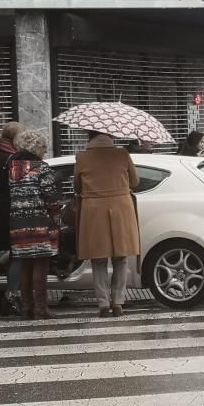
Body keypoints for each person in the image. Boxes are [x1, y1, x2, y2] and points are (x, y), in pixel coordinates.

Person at [75, 131, 142, 317]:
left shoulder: (82, 157)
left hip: (93, 210)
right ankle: (118, 302)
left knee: (98, 258)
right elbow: (135, 182)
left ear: (89, 135)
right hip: (121, 207)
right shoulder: (122, 154)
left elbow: (77, 187)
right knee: (121, 257)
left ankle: (103, 304)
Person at [8, 130, 59, 320]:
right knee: (41, 265)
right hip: (39, 221)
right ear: (35, 147)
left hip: (18, 223)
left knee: (25, 265)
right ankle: (41, 309)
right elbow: (51, 196)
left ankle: (27, 308)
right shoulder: (41, 167)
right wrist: (56, 210)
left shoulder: (14, 168)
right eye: (43, 148)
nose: (44, 151)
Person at [0, 121, 25, 315]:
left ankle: (12, 293)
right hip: (12, 208)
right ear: (14, 138)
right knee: (16, 254)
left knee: (10, 252)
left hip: (2, 207)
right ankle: (11, 296)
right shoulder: (12, 158)